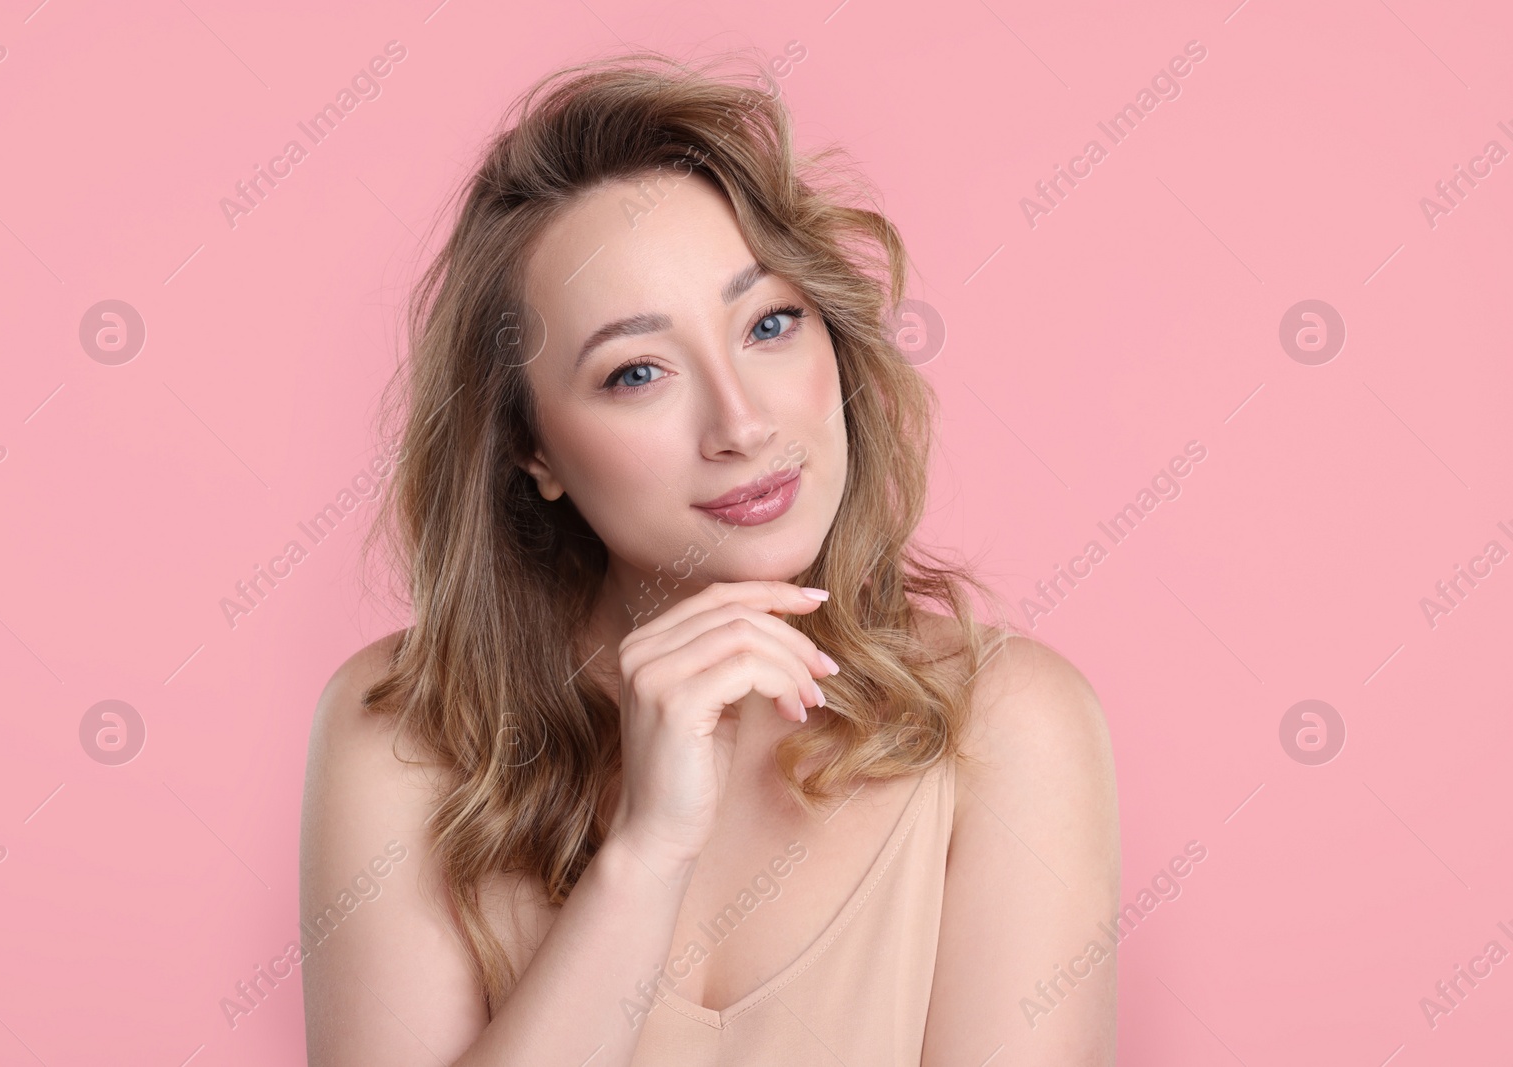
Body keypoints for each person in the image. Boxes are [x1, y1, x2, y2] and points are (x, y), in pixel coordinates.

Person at [299, 48, 1119, 1066]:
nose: (740, 422)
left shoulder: (1004, 726)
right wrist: (644, 859)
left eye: (769, 322)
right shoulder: (405, 730)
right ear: (533, 449)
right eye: (636, 370)